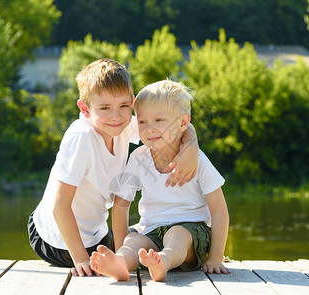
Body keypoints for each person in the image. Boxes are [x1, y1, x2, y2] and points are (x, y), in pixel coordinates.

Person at [27, 59, 200, 277]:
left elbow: (175, 124)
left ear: (132, 102)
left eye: (124, 106)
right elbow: (59, 205)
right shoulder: (82, 138)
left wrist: (191, 148)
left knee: (143, 239)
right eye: (105, 108)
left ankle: (171, 256)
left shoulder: (124, 125)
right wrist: (80, 259)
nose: (116, 116)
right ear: (85, 109)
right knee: (128, 250)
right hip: (57, 239)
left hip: (95, 233)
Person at [90, 79, 230, 282]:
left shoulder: (197, 159)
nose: (149, 129)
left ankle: (162, 261)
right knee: (134, 240)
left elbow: (219, 211)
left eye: (159, 120)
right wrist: (121, 248)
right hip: (151, 230)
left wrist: (216, 257)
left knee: (176, 235)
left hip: (191, 231)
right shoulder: (139, 157)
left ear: (183, 123)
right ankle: (120, 263)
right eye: (142, 122)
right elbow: (120, 206)